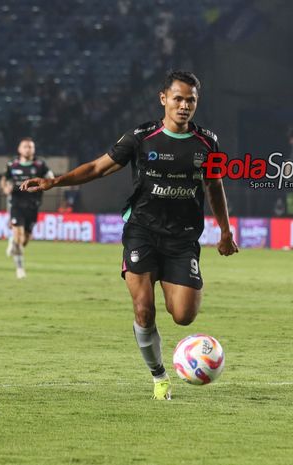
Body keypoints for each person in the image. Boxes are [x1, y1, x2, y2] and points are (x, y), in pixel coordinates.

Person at [20, 70, 238, 400]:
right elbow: (97, 168)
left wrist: (225, 230)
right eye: (177, 98)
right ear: (163, 99)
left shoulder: (207, 142)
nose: (183, 106)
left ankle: (184, 352)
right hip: (142, 232)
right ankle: (159, 376)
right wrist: (55, 182)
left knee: (183, 315)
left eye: (190, 100)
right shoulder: (141, 137)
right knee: (143, 310)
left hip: (183, 239)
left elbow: (214, 185)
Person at [0, 138, 54, 278]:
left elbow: (50, 178)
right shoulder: (12, 164)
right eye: (25, 147)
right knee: (19, 236)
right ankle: (19, 269)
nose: (28, 149)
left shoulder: (40, 164)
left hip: (33, 205)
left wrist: (48, 182)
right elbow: (4, 179)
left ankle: (13, 241)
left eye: (30, 147)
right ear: (19, 149)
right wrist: (6, 188)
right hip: (16, 204)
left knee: (24, 241)